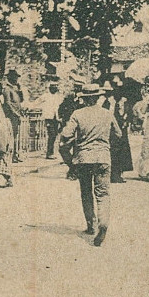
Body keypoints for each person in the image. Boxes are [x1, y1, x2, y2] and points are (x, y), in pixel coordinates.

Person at [58, 83, 121, 246]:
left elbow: (66, 135)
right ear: (98, 97)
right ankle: (103, 223)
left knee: (86, 192)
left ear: (84, 98)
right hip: (103, 158)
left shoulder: (77, 114)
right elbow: (118, 134)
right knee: (103, 194)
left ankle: (91, 226)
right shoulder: (107, 114)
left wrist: (70, 158)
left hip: (83, 158)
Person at [106, 86, 134, 183]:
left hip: (123, 131)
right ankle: (113, 174)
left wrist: (127, 121)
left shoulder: (125, 103)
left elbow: (130, 114)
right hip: (112, 132)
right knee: (113, 152)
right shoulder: (109, 103)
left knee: (122, 152)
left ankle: (119, 173)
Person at [35, 81, 64, 159]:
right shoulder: (45, 96)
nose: (54, 89)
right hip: (48, 118)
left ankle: (52, 152)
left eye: (56, 87)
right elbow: (36, 102)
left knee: (54, 135)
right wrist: (29, 106)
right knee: (52, 135)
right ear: (50, 88)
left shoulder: (58, 97)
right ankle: (49, 153)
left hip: (56, 118)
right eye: (53, 87)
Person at [1, 69, 26, 162]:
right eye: (15, 77)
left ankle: (15, 154)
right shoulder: (7, 89)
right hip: (11, 115)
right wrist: (15, 113)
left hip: (16, 115)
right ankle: (11, 155)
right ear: (10, 78)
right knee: (11, 136)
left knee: (16, 136)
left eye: (17, 77)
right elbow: (8, 103)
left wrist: (20, 90)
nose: (16, 79)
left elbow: (21, 101)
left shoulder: (15, 89)